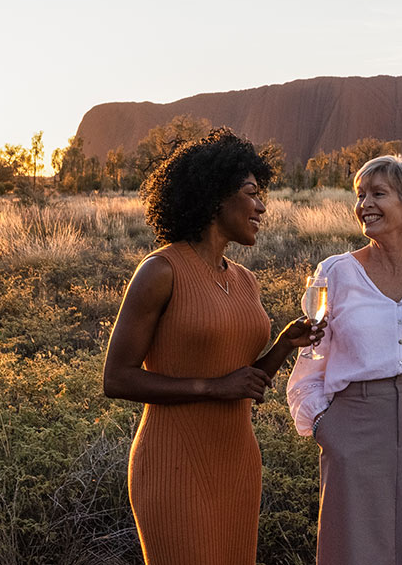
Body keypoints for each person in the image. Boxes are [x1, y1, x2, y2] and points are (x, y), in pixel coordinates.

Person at [103, 128, 322, 565]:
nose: (262, 206)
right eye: (251, 193)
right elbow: (117, 378)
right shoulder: (161, 271)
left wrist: (282, 346)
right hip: (173, 460)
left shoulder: (245, 280)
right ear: (214, 197)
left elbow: (241, 379)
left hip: (238, 459)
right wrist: (213, 388)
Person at [287, 155, 402, 565]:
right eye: (360, 195)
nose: (365, 205)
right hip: (353, 422)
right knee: (353, 548)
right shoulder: (334, 273)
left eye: (378, 194)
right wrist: (325, 426)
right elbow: (309, 364)